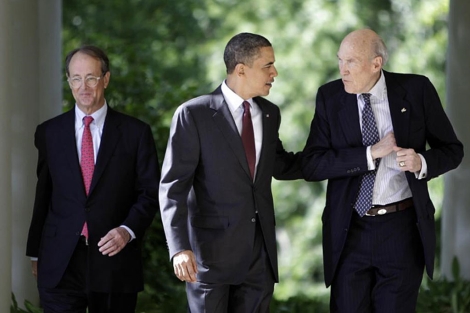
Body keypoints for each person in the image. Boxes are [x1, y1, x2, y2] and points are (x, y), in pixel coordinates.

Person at [301, 29, 464, 312]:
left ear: (376, 64)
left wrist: (421, 163)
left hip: (401, 230)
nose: (343, 70)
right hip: (350, 228)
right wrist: (369, 154)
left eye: (351, 61)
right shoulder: (329, 97)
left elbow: (452, 150)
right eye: (340, 60)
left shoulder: (417, 90)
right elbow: (313, 164)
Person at [159, 32, 303, 313]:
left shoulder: (270, 113)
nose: (275, 72)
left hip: (259, 259)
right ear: (241, 69)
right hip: (209, 259)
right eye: (267, 65)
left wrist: (351, 158)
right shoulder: (194, 114)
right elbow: (173, 186)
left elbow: (282, 165)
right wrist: (178, 248)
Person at [26, 45, 160, 313]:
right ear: (69, 81)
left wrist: (127, 230)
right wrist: (35, 252)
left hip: (114, 259)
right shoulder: (49, 133)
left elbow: (150, 192)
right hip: (60, 261)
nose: (83, 86)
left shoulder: (136, 133)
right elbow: (44, 194)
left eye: (91, 77)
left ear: (106, 79)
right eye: (76, 78)